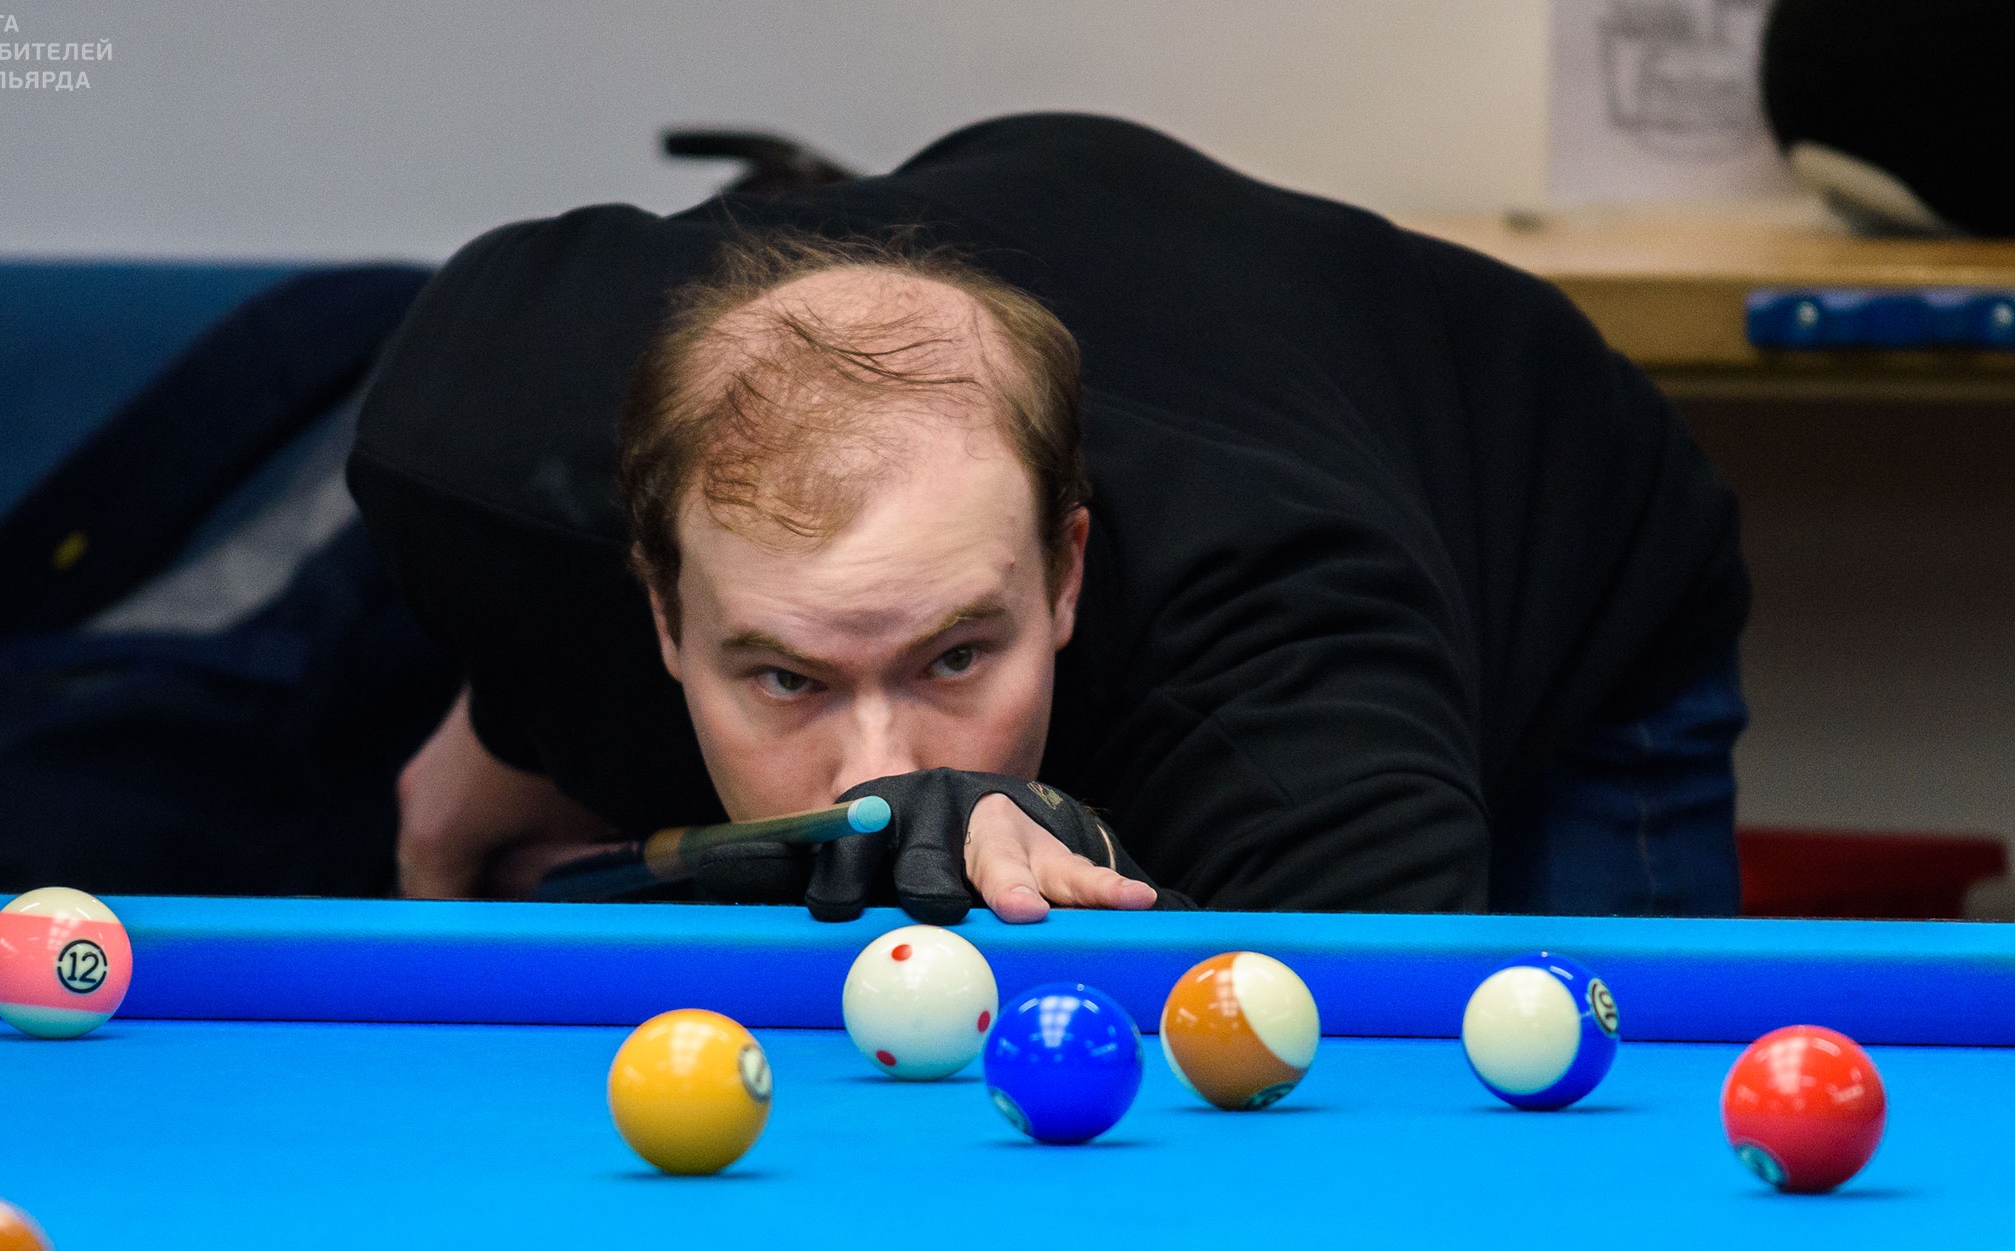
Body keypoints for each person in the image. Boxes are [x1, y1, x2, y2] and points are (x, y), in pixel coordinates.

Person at [350, 114, 1748, 924]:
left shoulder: (1294, 697)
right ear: (656, 605)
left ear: (1067, 572)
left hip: (1554, 528)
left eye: (956, 657)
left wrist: (1096, 885)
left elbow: (1344, 1080)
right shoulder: (463, 470)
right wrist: (514, 730)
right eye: (787, 677)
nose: (877, 775)